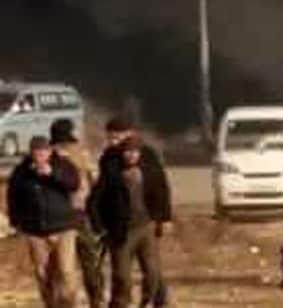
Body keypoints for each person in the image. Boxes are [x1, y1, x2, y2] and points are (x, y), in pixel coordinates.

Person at [93, 131, 172, 308]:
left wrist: (164, 218)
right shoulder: (112, 173)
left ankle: (146, 301)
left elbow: (161, 192)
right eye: (128, 152)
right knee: (122, 277)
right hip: (121, 232)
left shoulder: (148, 171)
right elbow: (95, 201)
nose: (131, 155)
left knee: (152, 272)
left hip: (146, 227)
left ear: (140, 153)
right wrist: (100, 228)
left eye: (135, 152)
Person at [6, 136, 82, 308]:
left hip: (63, 228)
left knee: (66, 271)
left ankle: (69, 304)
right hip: (36, 231)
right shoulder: (22, 171)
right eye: (36, 153)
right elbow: (13, 197)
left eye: (43, 152)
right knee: (43, 273)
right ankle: (51, 304)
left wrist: (52, 174)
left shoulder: (63, 165)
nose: (39, 156)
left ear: (49, 152)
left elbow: (74, 183)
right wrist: (16, 222)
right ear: (31, 153)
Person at [51, 119, 104, 308]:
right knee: (88, 259)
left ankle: (68, 301)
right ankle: (95, 299)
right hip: (78, 214)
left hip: (63, 216)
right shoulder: (81, 153)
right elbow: (96, 179)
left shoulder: (50, 154)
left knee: (63, 267)